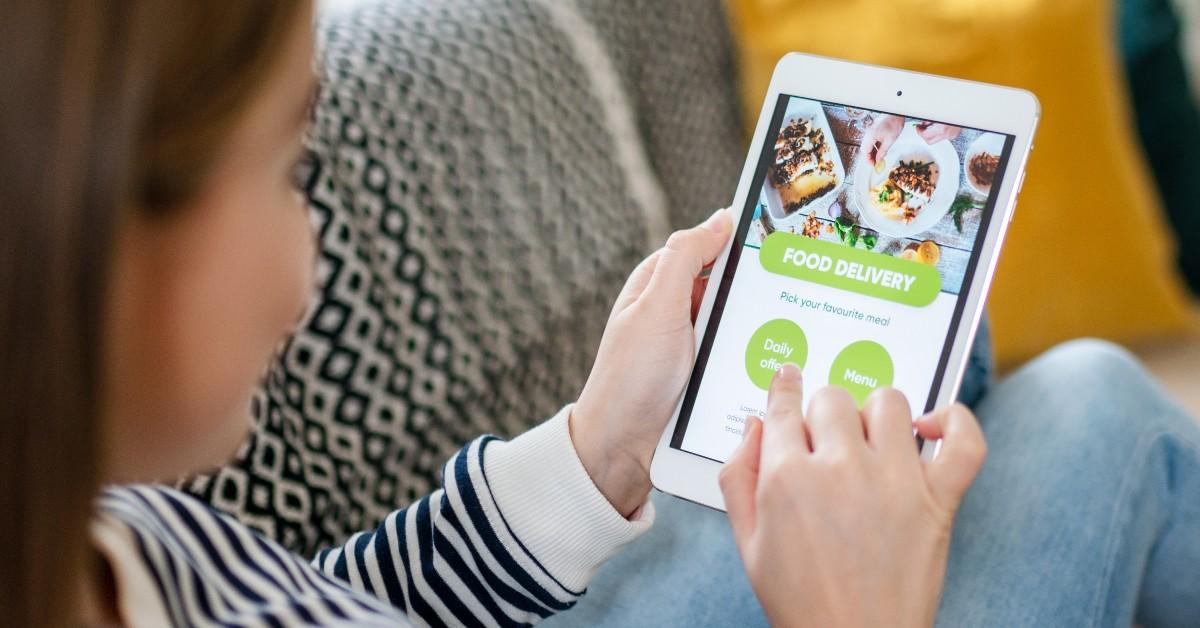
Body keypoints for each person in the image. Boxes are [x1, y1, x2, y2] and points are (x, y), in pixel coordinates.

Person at [2, 3, 1196, 627]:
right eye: (281, 166)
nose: (307, 241)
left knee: (945, 364)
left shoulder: (119, 538)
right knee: (1085, 397)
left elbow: (346, 599)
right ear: (83, 228)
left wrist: (594, 449)